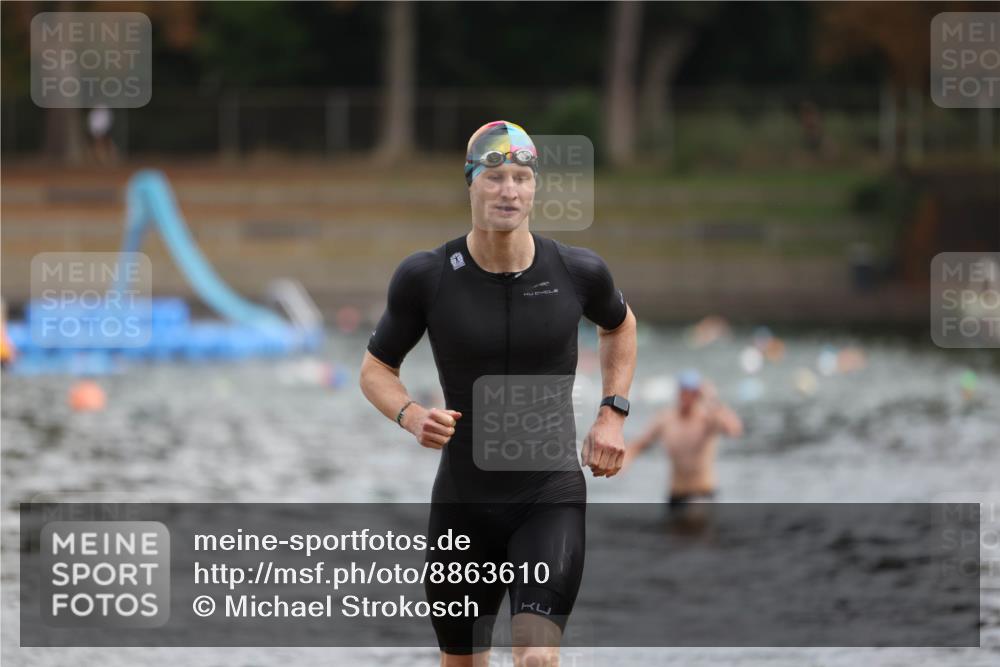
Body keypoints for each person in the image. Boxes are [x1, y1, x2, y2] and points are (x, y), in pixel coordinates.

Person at [360, 120, 637, 666]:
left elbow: (620, 326)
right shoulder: (427, 277)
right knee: (462, 662)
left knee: (536, 656)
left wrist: (612, 413)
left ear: (534, 188)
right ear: (469, 184)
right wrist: (411, 415)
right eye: (493, 176)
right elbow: (375, 369)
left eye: (520, 177)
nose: (508, 190)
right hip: (464, 502)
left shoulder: (577, 271)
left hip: (548, 495)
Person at [623, 370, 742, 507]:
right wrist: (626, 459)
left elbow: (734, 430)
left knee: (695, 518)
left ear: (698, 394)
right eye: (684, 391)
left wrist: (713, 400)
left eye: (692, 392)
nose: (687, 396)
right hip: (676, 496)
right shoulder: (666, 419)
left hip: (702, 495)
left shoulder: (707, 418)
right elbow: (640, 444)